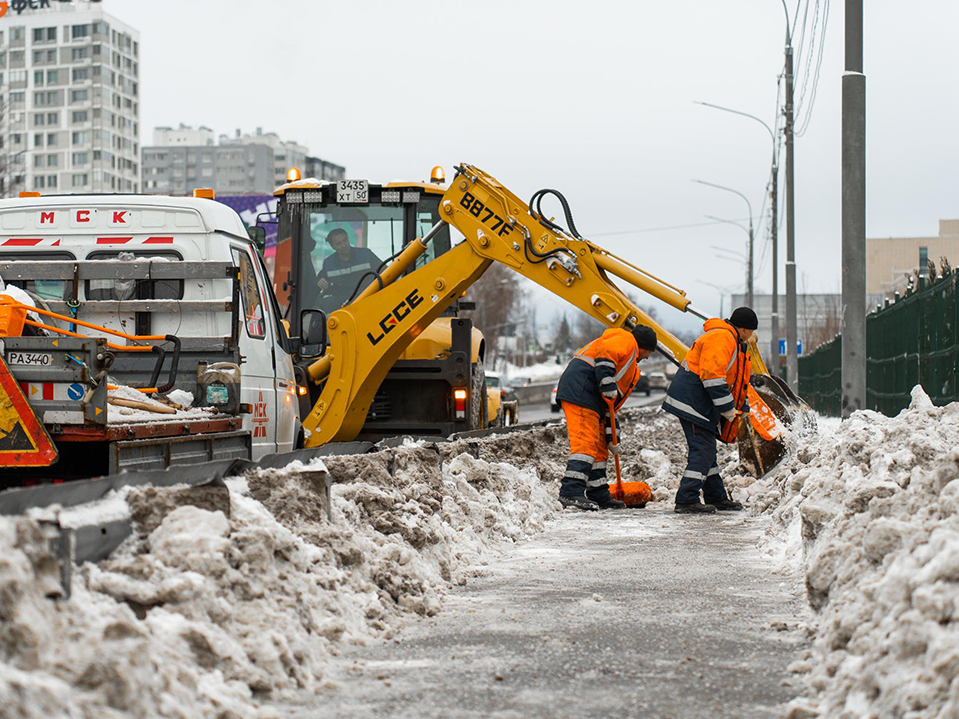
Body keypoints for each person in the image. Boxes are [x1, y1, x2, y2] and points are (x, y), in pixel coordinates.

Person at [662, 306, 757, 514]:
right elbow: (712, 377)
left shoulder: (730, 340)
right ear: (746, 329)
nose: (752, 337)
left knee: (708, 452)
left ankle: (716, 496)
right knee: (703, 451)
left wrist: (742, 407)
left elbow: (735, 381)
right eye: (752, 332)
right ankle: (686, 499)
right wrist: (728, 409)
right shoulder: (723, 338)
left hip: (699, 403)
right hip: (693, 403)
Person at [555, 324, 659, 511]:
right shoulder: (625, 339)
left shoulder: (632, 367)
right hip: (581, 389)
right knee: (585, 443)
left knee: (600, 447)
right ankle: (570, 492)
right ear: (642, 345)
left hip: (595, 399)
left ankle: (598, 493)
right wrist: (607, 383)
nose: (648, 356)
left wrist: (612, 431)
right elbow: (605, 355)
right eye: (648, 351)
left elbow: (613, 405)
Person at [311, 228, 382, 311]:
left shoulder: (366, 254)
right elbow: (321, 279)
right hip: (341, 303)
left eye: (345, 240)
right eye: (339, 243)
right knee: (324, 305)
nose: (344, 245)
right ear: (333, 247)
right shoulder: (329, 263)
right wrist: (319, 281)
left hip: (366, 297)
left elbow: (384, 271)